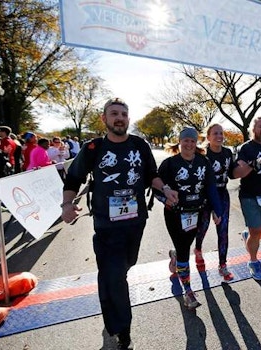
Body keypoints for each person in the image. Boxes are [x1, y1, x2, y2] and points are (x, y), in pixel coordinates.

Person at [61, 97, 178, 350]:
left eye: (124, 114)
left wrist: (166, 189)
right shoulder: (93, 148)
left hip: (135, 222)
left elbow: (152, 176)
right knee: (113, 275)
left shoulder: (140, 145)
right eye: (114, 114)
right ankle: (122, 330)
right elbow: (74, 178)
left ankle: (114, 309)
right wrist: (67, 205)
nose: (119, 118)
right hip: (106, 224)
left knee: (123, 268)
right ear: (104, 118)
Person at [155, 126, 222, 310]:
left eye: (193, 141)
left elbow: (211, 187)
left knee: (185, 246)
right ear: (180, 141)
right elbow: (156, 189)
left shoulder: (204, 162)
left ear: (196, 143)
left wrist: (217, 210)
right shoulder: (169, 164)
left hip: (196, 213)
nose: (189, 144)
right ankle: (188, 291)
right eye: (186, 140)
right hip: (175, 214)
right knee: (184, 248)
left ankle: (176, 256)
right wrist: (166, 199)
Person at [233, 116, 261, 281]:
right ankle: (253, 261)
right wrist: (255, 163)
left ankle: (248, 237)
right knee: (256, 230)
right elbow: (237, 173)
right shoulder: (246, 148)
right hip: (249, 195)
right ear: (254, 129)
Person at [195, 123, 236, 281]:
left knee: (223, 229)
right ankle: (198, 250)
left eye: (221, 133)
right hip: (205, 195)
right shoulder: (202, 154)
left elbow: (232, 173)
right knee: (202, 227)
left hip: (222, 193)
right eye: (215, 133)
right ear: (208, 136)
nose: (219, 136)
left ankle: (223, 265)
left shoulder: (227, 152)